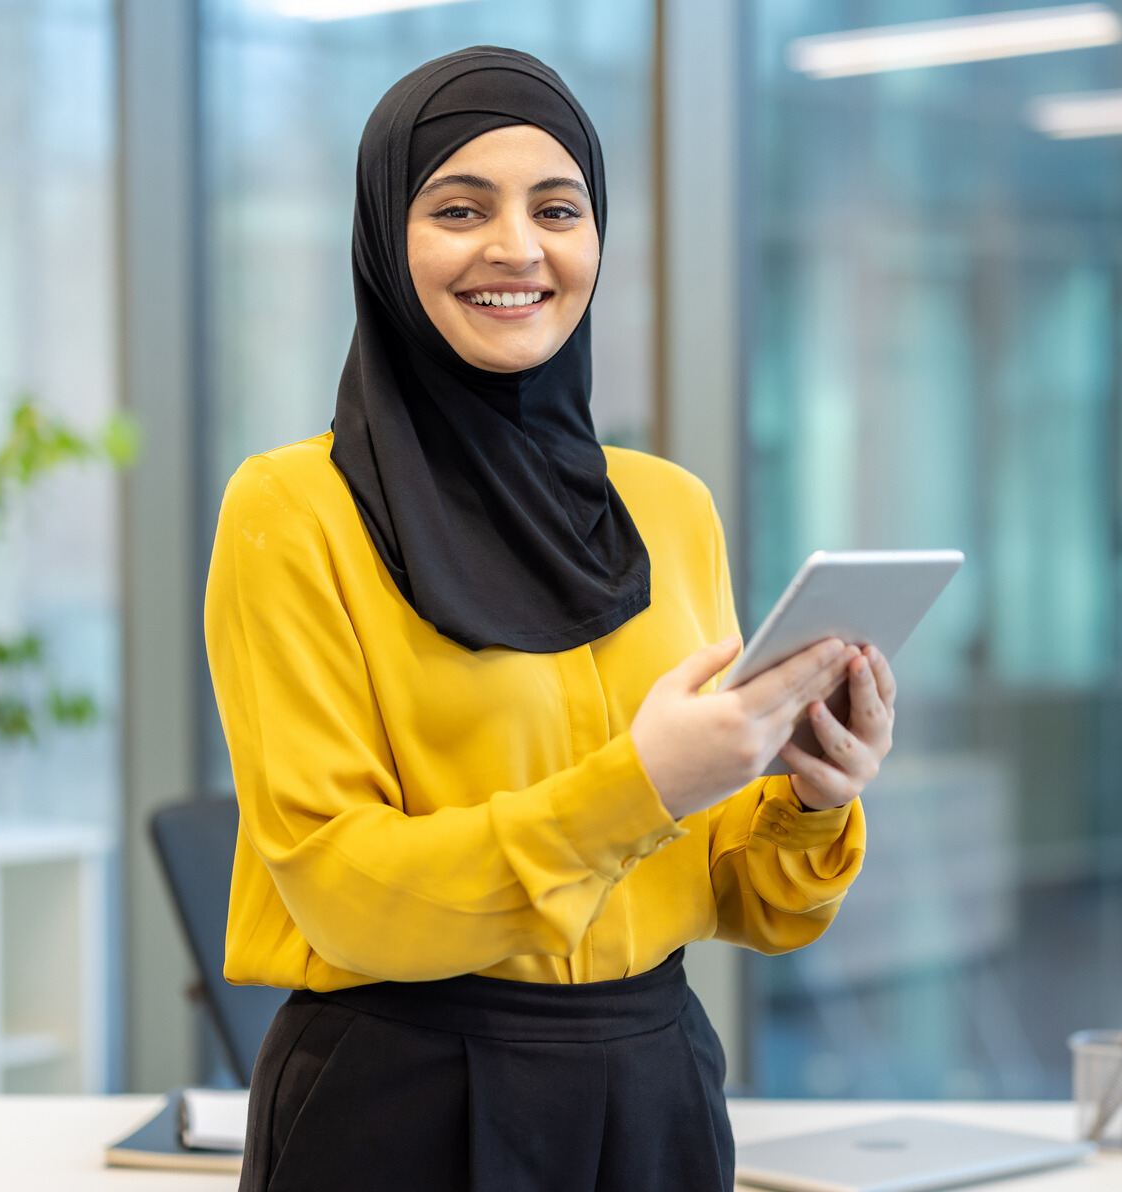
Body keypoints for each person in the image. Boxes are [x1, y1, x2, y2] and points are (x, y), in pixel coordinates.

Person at [205, 46, 893, 1192]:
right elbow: (343, 889)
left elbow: (745, 899)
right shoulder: (291, 510)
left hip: (653, 1094)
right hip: (401, 1101)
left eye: (557, 208)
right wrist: (642, 784)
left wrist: (813, 795)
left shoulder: (667, 508)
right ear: (385, 237)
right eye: (458, 208)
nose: (516, 248)